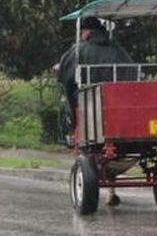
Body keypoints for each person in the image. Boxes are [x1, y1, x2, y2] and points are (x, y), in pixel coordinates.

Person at [57, 17, 133, 206]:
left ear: (87, 32)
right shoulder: (119, 51)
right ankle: (111, 190)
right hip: (122, 111)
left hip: (89, 110)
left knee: (88, 145)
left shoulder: (78, 52)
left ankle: (98, 185)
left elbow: (65, 77)